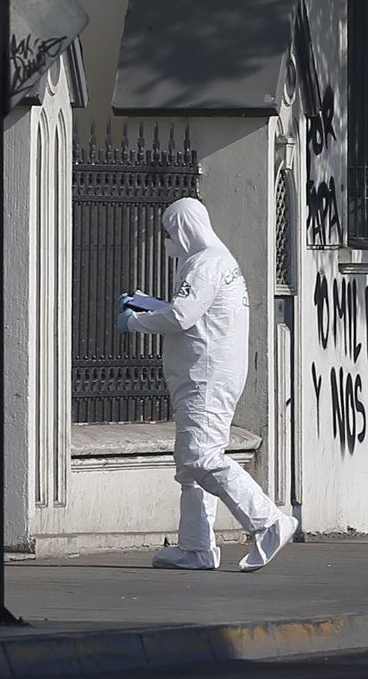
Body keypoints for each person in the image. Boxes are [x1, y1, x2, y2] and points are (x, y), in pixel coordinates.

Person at [116, 198, 298, 572]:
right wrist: (147, 304)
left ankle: (268, 521)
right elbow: (197, 311)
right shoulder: (214, 260)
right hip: (206, 374)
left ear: (182, 229)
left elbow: (182, 316)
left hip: (205, 377)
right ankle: (195, 548)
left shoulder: (204, 263)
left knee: (201, 457)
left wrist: (134, 322)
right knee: (190, 462)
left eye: (169, 234)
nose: (167, 242)